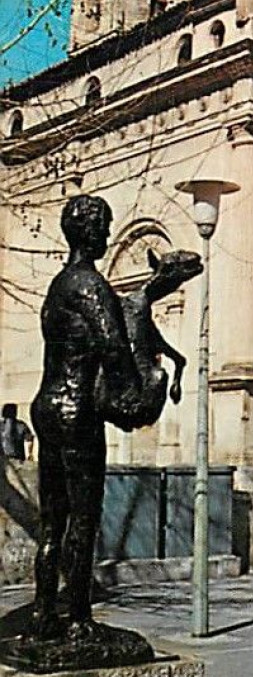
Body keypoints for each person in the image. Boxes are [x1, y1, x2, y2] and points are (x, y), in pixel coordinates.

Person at [28, 194, 154, 641]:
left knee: (52, 519)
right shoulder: (89, 284)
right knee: (83, 518)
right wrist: (133, 395)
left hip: (47, 404)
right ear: (86, 231)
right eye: (102, 225)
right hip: (77, 409)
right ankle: (79, 618)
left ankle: (44, 615)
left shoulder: (60, 284)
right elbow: (113, 345)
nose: (106, 233)